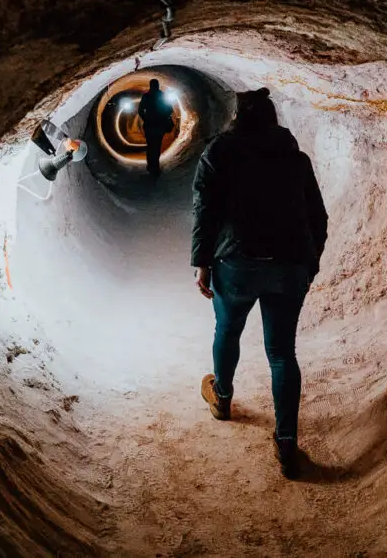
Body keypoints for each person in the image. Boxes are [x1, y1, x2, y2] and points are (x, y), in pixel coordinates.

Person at [191, 87, 328, 479]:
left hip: (237, 262)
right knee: (282, 353)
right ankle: (286, 442)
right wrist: (309, 263)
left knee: (228, 329)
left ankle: (222, 396)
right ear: (273, 120)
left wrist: (202, 262)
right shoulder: (295, 159)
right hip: (289, 265)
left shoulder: (219, 153)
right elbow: (317, 216)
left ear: (236, 119)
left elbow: (205, 208)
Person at [137, 79, 175, 176]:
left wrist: (146, 119)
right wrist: (163, 115)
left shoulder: (146, 96)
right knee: (157, 146)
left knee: (150, 146)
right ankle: (156, 167)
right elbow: (170, 109)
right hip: (159, 125)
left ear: (150, 86)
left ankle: (150, 167)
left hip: (149, 125)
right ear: (158, 85)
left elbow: (140, 110)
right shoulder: (162, 96)